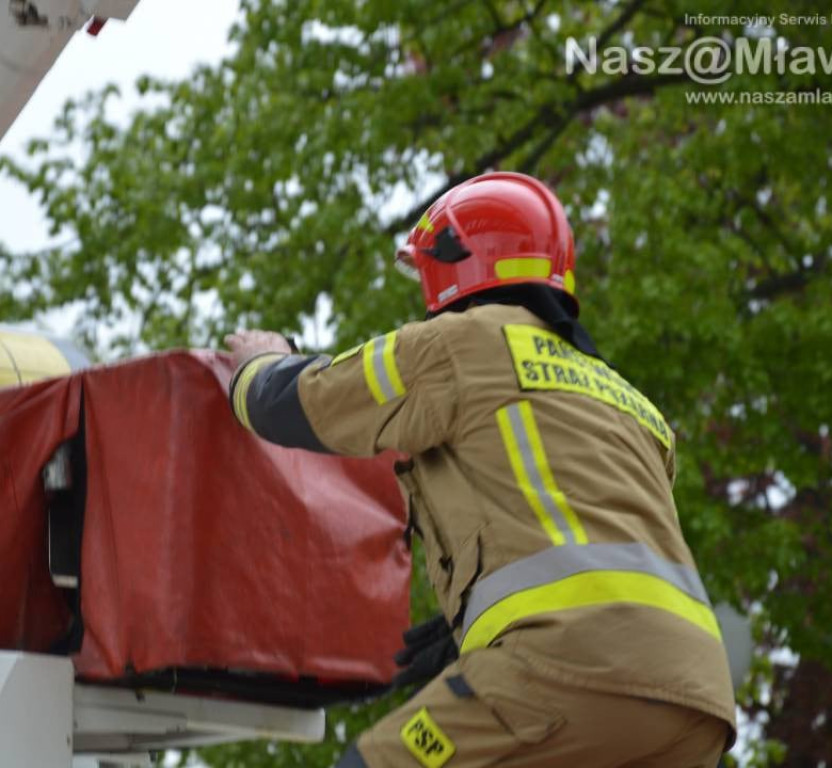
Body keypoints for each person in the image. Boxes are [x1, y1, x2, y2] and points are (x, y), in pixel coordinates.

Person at [225, 172, 736, 767]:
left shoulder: (459, 344)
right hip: (696, 703)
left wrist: (257, 367)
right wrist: (478, 621)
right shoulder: (632, 405)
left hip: (568, 667)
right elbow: (581, 526)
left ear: (453, 264)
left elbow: (304, 403)